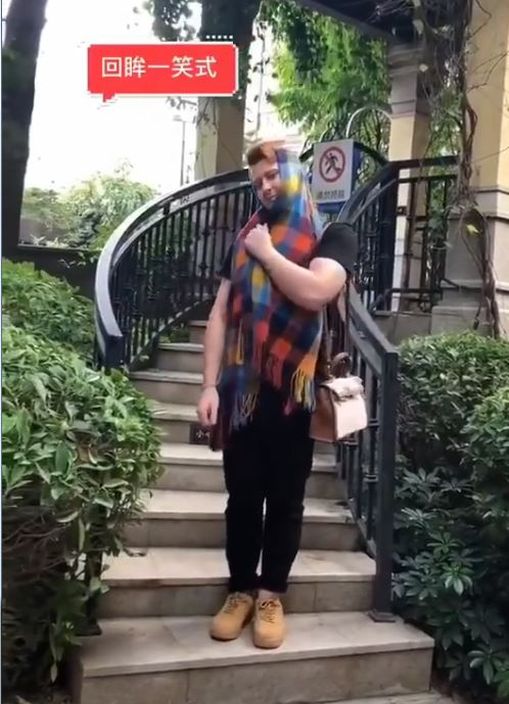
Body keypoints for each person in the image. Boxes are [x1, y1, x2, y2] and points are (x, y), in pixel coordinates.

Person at [196, 141, 357, 650]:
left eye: (272, 175)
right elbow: (220, 314)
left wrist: (267, 253)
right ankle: (240, 590)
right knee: (242, 498)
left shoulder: (333, 234)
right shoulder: (245, 235)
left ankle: (270, 596)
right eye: (257, 181)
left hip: (296, 391)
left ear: (292, 173)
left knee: (286, 500)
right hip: (242, 390)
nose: (265, 187)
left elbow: (316, 291)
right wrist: (208, 384)